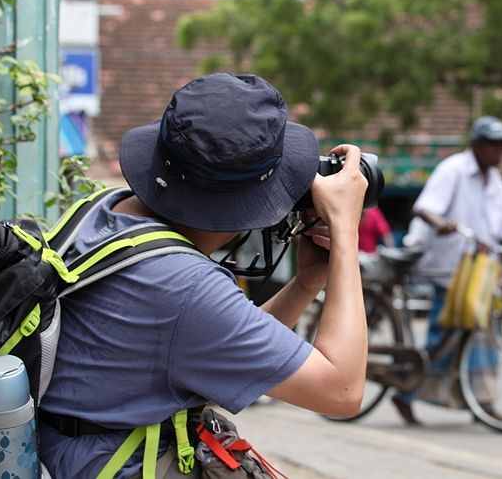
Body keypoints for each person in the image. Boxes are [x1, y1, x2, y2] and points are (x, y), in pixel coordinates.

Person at [37, 73, 368, 477]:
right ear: (251, 201)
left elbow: (220, 341)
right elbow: (343, 391)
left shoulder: (106, 212)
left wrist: (306, 282)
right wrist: (346, 233)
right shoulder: (182, 284)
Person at [391, 116, 502, 425]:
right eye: (493, 145)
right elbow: (425, 208)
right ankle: (405, 393)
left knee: (482, 334)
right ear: (477, 145)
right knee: (444, 336)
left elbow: (495, 234)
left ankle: (481, 402)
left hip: (479, 272)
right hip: (447, 267)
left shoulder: (497, 184)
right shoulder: (454, 169)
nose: (499, 152)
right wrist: (441, 223)